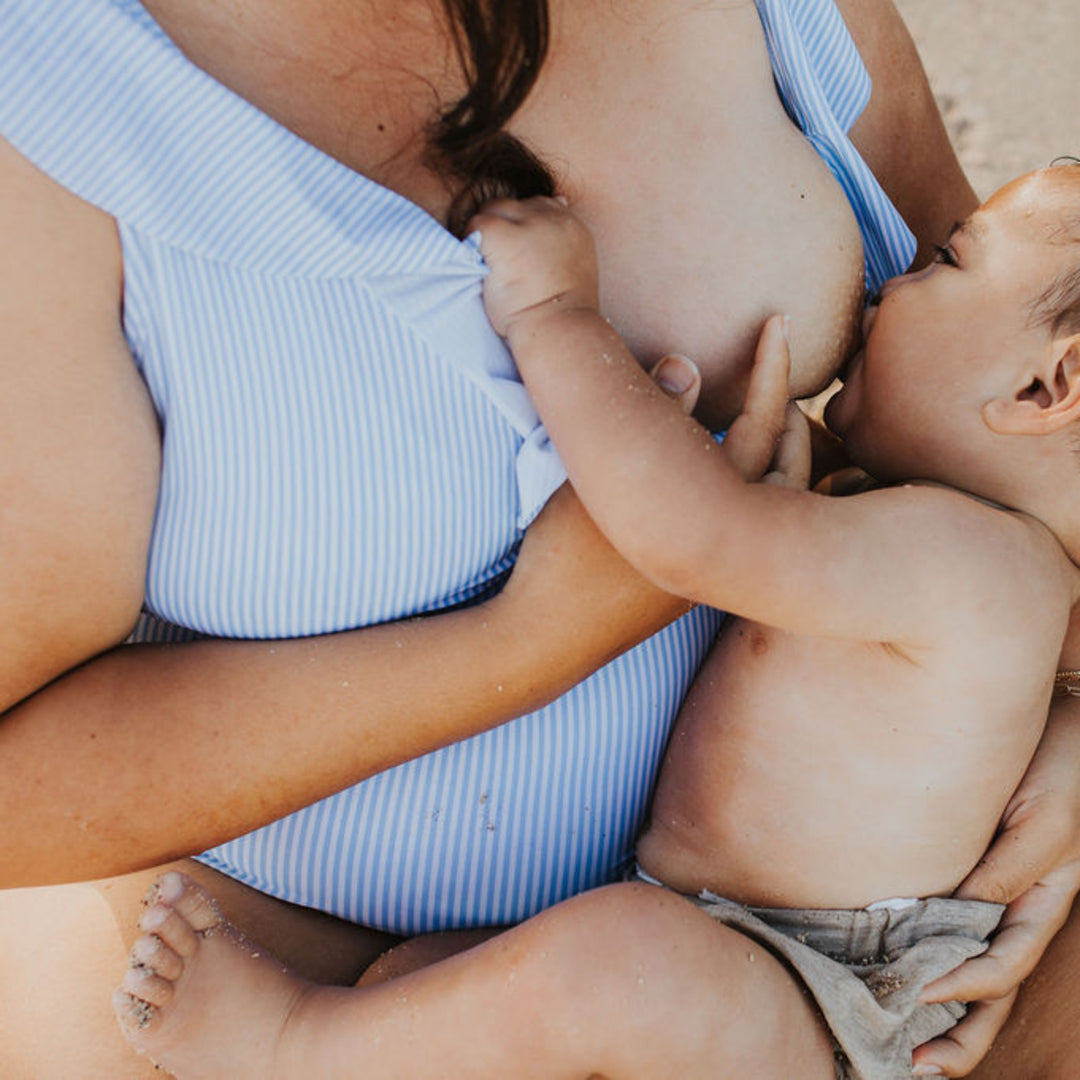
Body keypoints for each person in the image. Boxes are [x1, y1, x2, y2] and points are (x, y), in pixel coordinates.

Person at [0, 0, 1076, 1075]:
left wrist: (1065, 704)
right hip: (332, 956)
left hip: (812, 969)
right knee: (613, 972)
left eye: (940, 257)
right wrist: (530, 641)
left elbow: (1008, 432)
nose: (904, 276)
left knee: (625, 971)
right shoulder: (53, 116)